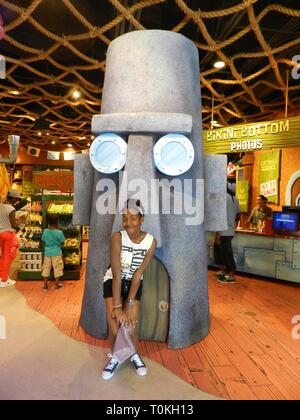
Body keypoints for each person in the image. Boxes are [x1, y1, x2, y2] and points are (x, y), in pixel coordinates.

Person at [102, 199, 157, 380]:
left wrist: (129, 304)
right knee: (114, 326)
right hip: (113, 281)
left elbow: (138, 273)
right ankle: (115, 357)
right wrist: (118, 308)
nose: (128, 222)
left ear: (142, 219)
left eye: (133, 218)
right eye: (125, 218)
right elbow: (117, 275)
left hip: (134, 282)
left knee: (131, 324)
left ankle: (134, 354)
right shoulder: (117, 237)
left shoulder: (151, 242)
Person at [214, 186, 240, 284]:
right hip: (230, 230)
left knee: (227, 253)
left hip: (223, 230)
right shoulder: (234, 198)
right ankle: (224, 271)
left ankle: (231, 275)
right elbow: (238, 215)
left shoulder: (222, 198)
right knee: (222, 251)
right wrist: (232, 223)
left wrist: (218, 233)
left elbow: (220, 217)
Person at [0, 189, 22, 288]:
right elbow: (13, 224)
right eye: (16, 198)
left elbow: (5, 219)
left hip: (1, 233)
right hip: (8, 233)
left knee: (5, 255)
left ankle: (3, 276)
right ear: (12, 198)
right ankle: (4, 280)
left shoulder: (1, 206)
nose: (17, 200)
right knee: (7, 256)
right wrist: (21, 220)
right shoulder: (11, 209)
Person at [41, 214, 65, 290]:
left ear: (48, 222)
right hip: (57, 253)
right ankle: (57, 285)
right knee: (57, 268)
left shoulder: (45, 231)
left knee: (46, 267)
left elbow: (43, 240)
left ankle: (45, 285)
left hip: (47, 253)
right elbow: (62, 242)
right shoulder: (59, 232)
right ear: (57, 222)